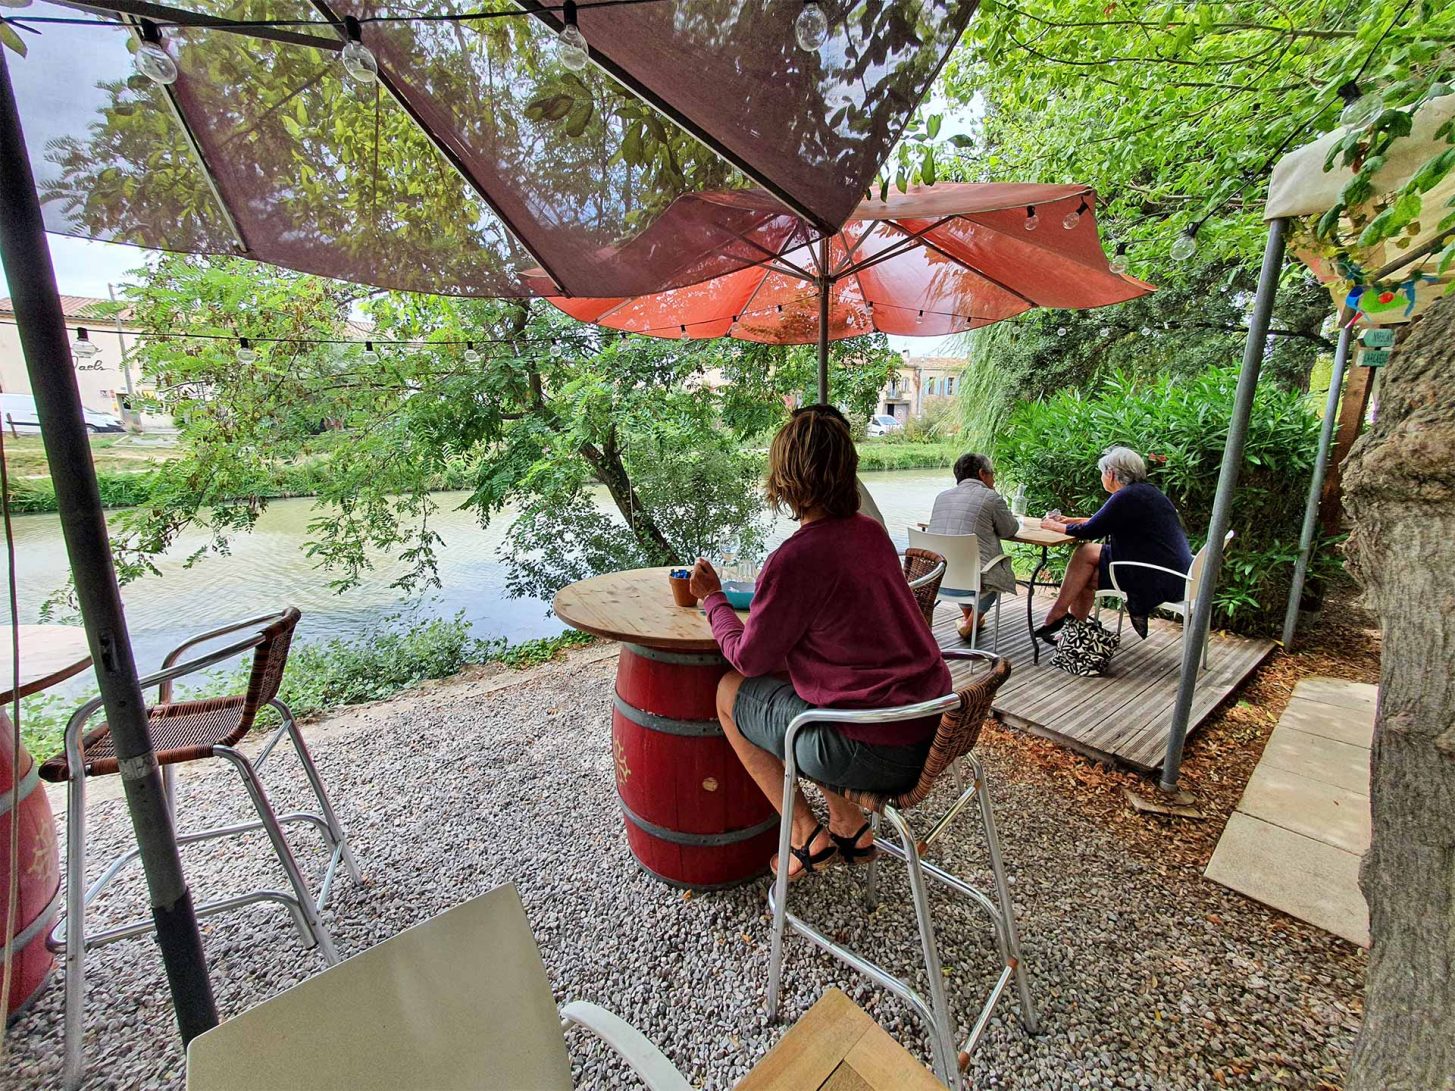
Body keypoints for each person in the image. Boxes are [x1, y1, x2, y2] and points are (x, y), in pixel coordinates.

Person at [689, 405, 952, 881]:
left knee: (729, 692)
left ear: (785, 480)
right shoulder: (870, 534)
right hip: (926, 726)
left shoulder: (795, 559)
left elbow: (748, 658)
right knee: (799, 686)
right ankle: (851, 826)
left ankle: (804, 836)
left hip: (875, 751)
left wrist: (712, 600)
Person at [1035, 446, 1192, 643]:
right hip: (1174, 574)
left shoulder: (1125, 496)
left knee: (1084, 552)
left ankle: (1058, 616)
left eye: (1102, 473)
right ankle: (1071, 632)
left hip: (1155, 577)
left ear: (1110, 474)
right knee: (1084, 575)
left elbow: (1090, 531)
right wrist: (1072, 520)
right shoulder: (1146, 492)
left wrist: (1052, 525)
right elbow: (1104, 521)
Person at [926, 452, 1019, 642]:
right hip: (973, 583)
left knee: (963, 560)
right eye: (992, 473)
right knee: (989, 571)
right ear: (982, 474)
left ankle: (969, 619)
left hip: (938, 578)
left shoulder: (941, 497)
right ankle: (970, 624)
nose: (994, 478)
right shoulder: (991, 498)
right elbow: (1010, 529)